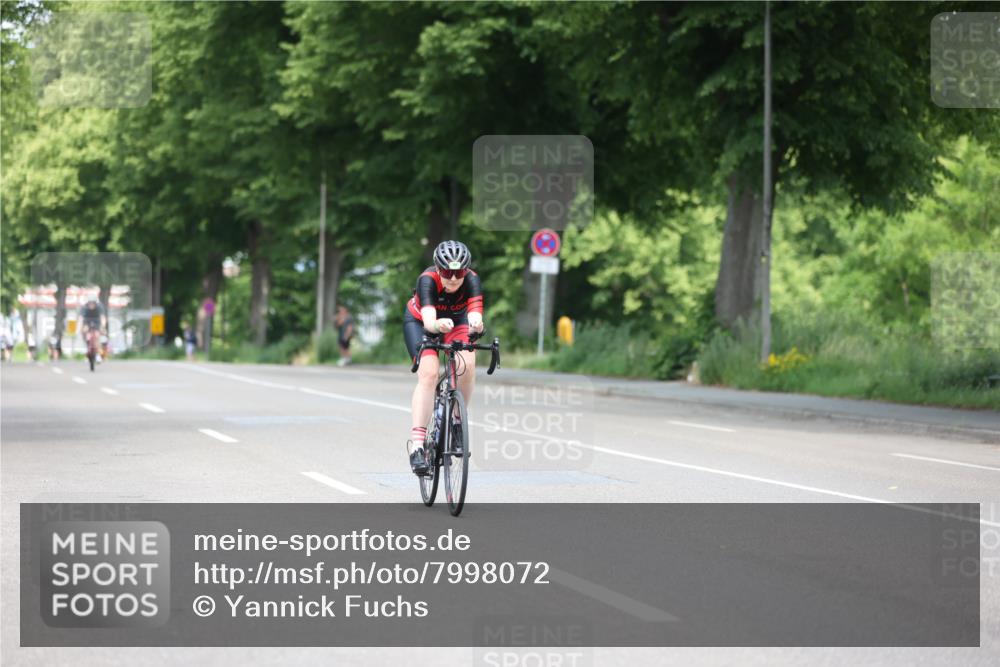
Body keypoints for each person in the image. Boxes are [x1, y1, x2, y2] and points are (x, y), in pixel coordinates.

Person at [403, 240, 484, 474]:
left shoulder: (472, 280)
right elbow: (429, 322)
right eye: (447, 272)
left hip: (456, 322)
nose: (453, 279)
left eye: (459, 273)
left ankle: (458, 422)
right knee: (429, 374)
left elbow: (476, 317)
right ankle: (418, 446)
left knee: (467, 363)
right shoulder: (426, 280)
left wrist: (477, 325)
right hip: (422, 322)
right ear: (438, 269)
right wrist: (437, 324)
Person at [77, 298, 107, 362]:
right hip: (87, 321)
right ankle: (88, 349)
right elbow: (81, 318)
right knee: (85, 332)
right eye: (90, 303)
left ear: (95, 303)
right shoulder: (84, 307)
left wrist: (103, 326)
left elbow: (102, 318)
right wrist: (80, 327)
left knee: (97, 335)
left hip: (97, 321)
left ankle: (98, 354)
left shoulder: (99, 307)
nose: (91, 305)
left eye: (93, 303)